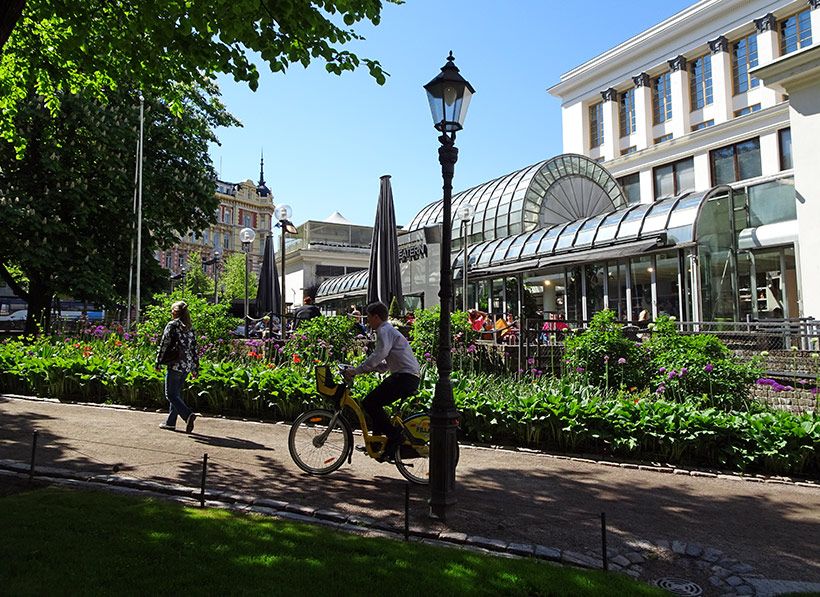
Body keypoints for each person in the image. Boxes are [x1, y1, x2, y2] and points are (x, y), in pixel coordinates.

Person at [342, 301, 420, 462]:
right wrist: (365, 369)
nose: (367, 321)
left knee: (370, 403)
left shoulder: (384, 330)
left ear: (376, 317)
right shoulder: (389, 330)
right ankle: (376, 443)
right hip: (407, 377)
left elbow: (379, 355)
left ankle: (394, 437)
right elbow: (384, 364)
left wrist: (357, 370)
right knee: (374, 403)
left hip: (404, 377)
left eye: (369, 317)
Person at [155, 301, 199, 433]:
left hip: (175, 363)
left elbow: (164, 343)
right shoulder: (189, 327)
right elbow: (194, 348)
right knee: (176, 394)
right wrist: (195, 367)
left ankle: (187, 415)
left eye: (171, 311)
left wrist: (158, 361)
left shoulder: (172, 325)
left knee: (170, 394)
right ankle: (170, 422)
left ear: (175, 312)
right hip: (187, 365)